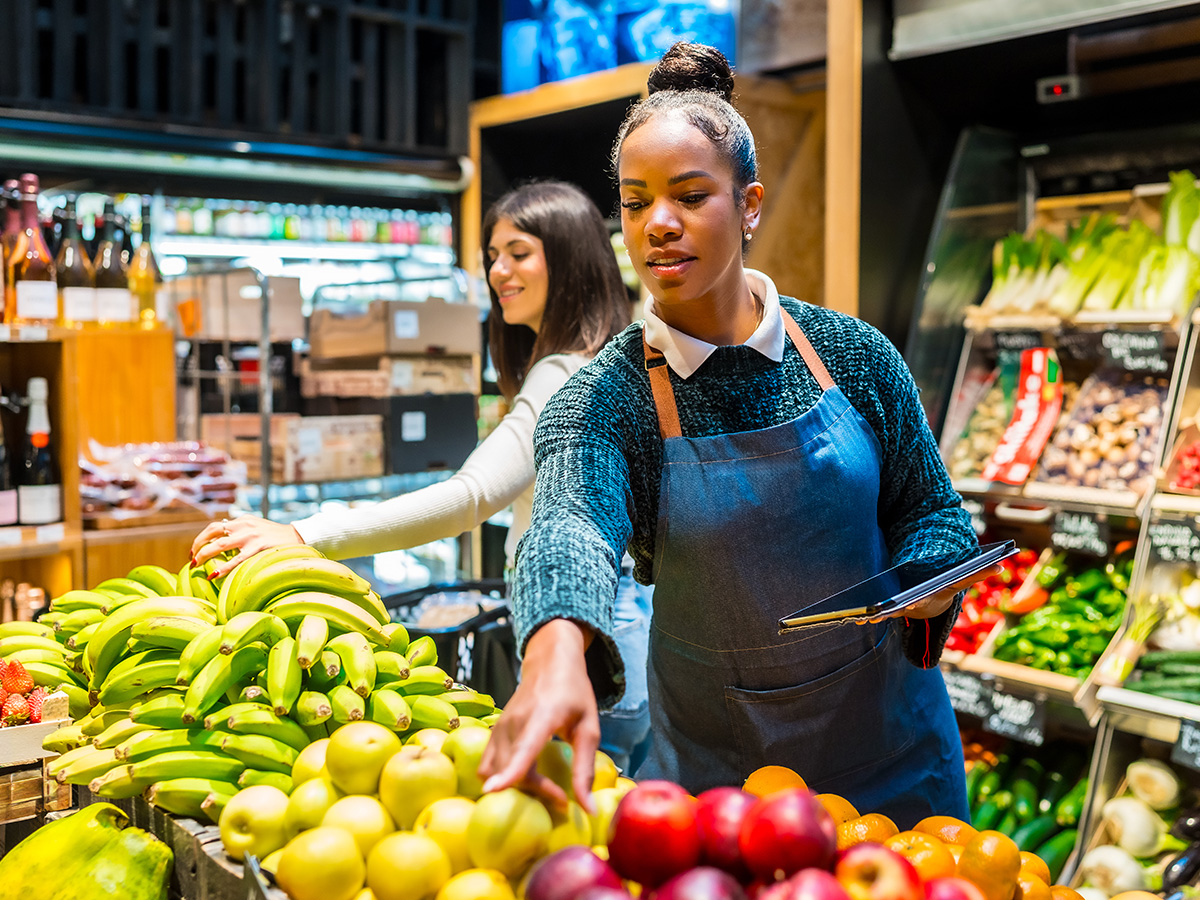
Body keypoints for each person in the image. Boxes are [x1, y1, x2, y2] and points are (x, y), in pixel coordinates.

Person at [478, 43, 992, 827]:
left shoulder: (854, 354)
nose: (659, 225)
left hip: (894, 766)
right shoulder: (604, 398)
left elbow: (932, 509)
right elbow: (568, 526)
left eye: (690, 196)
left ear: (749, 205)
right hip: (723, 791)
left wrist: (930, 580)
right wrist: (555, 646)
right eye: (636, 202)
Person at [190, 180, 654, 771]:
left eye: (519, 253)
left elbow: (471, 496)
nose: (498, 271)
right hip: (618, 623)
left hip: (582, 638)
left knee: (581, 805)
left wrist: (306, 534)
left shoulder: (564, 373)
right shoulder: (612, 359)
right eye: (493, 255)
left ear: (570, 259)